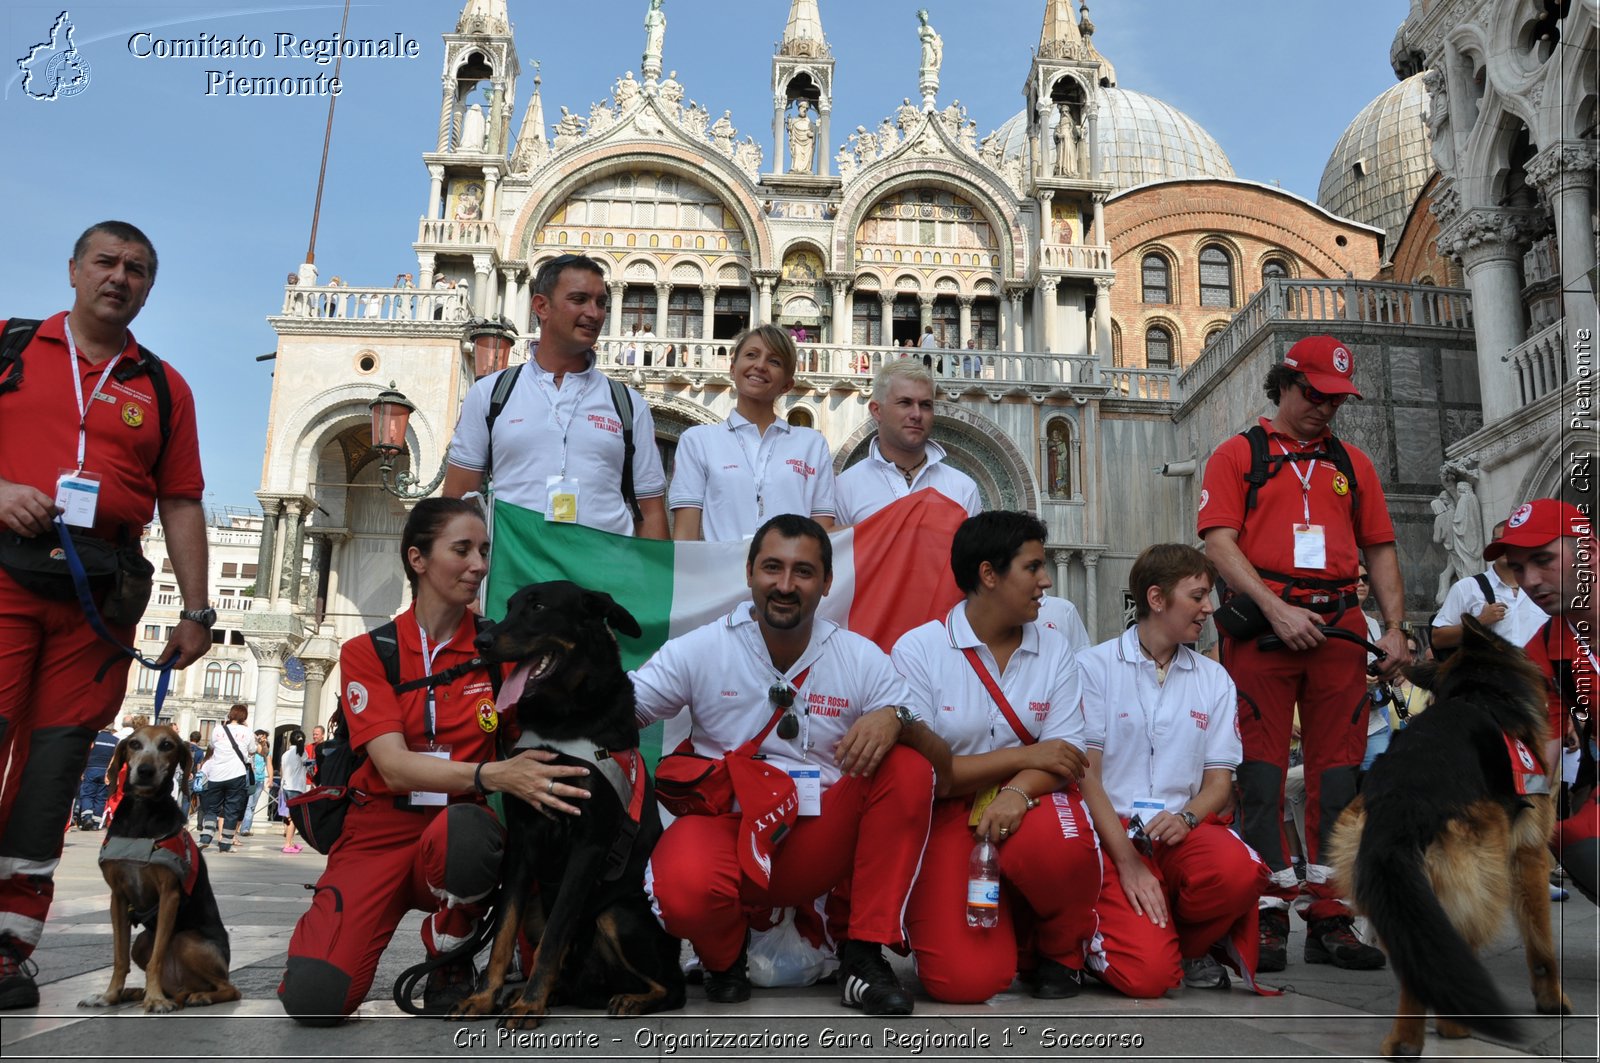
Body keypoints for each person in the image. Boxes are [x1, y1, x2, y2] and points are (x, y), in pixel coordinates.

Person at [0, 221, 210, 1010]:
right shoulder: (12, 347)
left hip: (98, 599)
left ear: (149, 287)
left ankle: (9, 950)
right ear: (73, 270)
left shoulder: (162, 386)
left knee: (51, 778)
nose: (119, 277)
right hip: (5, 577)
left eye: (138, 269)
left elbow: (182, 498)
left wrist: (196, 609)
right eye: (106, 262)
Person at [279, 498, 590, 1023]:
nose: (480, 565)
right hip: (375, 830)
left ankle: (452, 951)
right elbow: (394, 766)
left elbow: (528, 742)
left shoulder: (499, 648)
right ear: (418, 559)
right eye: (462, 550)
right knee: (314, 1002)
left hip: (457, 830)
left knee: (465, 833)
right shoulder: (368, 650)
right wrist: (491, 774)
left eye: (484, 551)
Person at [633, 515, 951, 1016]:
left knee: (907, 765)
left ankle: (862, 956)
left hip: (814, 837)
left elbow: (940, 759)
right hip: (729, 831)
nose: (784, 585)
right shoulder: (705, 646)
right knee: (682, 889)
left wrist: (896, 719)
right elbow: (624, 709)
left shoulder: (857, 656)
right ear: (749, 573)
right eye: (772, 568)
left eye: (803, 572)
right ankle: (723, 961)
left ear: (827, 582)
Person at [1197, 335, 1408, 973]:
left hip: (1341, 625)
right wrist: (1273, 607)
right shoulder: (1238, 455)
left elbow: (1380, 547)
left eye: (1336, 399)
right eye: (1315, 394)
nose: (1326, 409)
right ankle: (1261, 909)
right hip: (1265, 626)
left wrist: (1395, 627)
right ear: (1284, 384)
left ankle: (1331, 914)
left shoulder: (1355, 464)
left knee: (1339, 774)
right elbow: (1217, 542)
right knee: (1259, 774)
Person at [891, 512, 1098, 1002]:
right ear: (989, 574)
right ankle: (1008, 936)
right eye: (1033, 568)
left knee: (1060, 849)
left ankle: (1058, 950)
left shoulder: (1056, 651)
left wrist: (1018, 791)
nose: (1046, 581)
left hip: (1034, 802)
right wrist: (1028, 757)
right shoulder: (918, 651)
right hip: (947, 816)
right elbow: (935, 780)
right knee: (965, 983)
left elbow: (1066, 758)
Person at [1078, 543, 1266, 996]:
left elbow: (1219, 783)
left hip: (1180, 830)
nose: (1209, 608)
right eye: (1198, 596)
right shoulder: (1094, 667)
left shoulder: (1213, 678)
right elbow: (1087, 776)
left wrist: (1186, 819)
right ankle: (1094, 941)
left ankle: (1184, 945)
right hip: (1114, 832)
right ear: (1157, 599)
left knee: (1241, 871)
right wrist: (1126, 858)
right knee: (1149, 979)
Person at [443, 254, 669, 539]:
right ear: (541, 306)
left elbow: (650, 512)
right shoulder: (490, 394)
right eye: (579, 299)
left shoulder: (629, 405)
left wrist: (653, 582)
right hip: (515, 574)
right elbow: (458, 501)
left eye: (601, 303)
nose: (595, 313)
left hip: (602, 576)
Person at [1487, 499, 1597, 905]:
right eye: (1518, 568)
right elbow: (1538, 756)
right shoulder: (1546, 648)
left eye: (1543, 560)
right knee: (1576, 839)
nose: (1530, 580)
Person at [669, 325, 837, 542]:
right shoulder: (697, 441)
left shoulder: (812, 444)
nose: (760, 365)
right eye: (751, 355)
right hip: (723, 573)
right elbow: (685, 536)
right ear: (732, 368)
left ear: (787, 385)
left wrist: (889, 524)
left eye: (774, 361)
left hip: (790, 573)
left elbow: (823, 533)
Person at [835, 359, 981, 525]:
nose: (917, 414)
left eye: (926, 405)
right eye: (905, 403)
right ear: (877, 410)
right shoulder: (844, 488)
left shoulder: (963, 489)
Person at [1433, 520, 1549, 653]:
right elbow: (1438, 639)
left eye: (1511, 540)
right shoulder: (1467, 587)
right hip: (1489, 672)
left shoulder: (1544, 588)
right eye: (1499, 541)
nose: (1505, 547)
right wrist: (1479, 622)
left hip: (1537, 672)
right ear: (1492, 545)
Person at [199, 703, 253, 853]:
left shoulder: (217, 729)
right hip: (236, 774)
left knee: (212, 808)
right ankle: (226, 844)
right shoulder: (247, 731)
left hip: (216, 774)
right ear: (244, 716)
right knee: (231, 809)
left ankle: (206, 837)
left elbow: (212, 745)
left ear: (230, 715)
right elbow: (252, 750)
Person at [75, 726, 121, 830]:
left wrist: (82, 770)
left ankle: (87, 818)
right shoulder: (116, 741)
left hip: (91, 769)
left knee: (87, 794)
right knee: (101, 797)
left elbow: (85, 754)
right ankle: (96, 823)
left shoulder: (94, 738)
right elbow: (115, 759)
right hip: (105, 771)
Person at [278, 730, 309, 855]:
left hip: (285, 786)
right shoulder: (302, 753)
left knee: (289, 815)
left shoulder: (286, 754)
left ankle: (290, 842)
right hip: (296, 787)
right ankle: (287, 843)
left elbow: (282, 770)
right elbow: (307, 765)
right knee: (294, 817)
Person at [240, 730, 272, 837]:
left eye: (265, 738)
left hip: (259, 779)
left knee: (252, 806)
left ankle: (245, 828)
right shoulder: (251, 746)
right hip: (249, 779)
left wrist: (271, 778)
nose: (263, 739)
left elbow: (267, 759)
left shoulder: (264, 748)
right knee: (247, 804)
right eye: (262, 737)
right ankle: (241, 827)